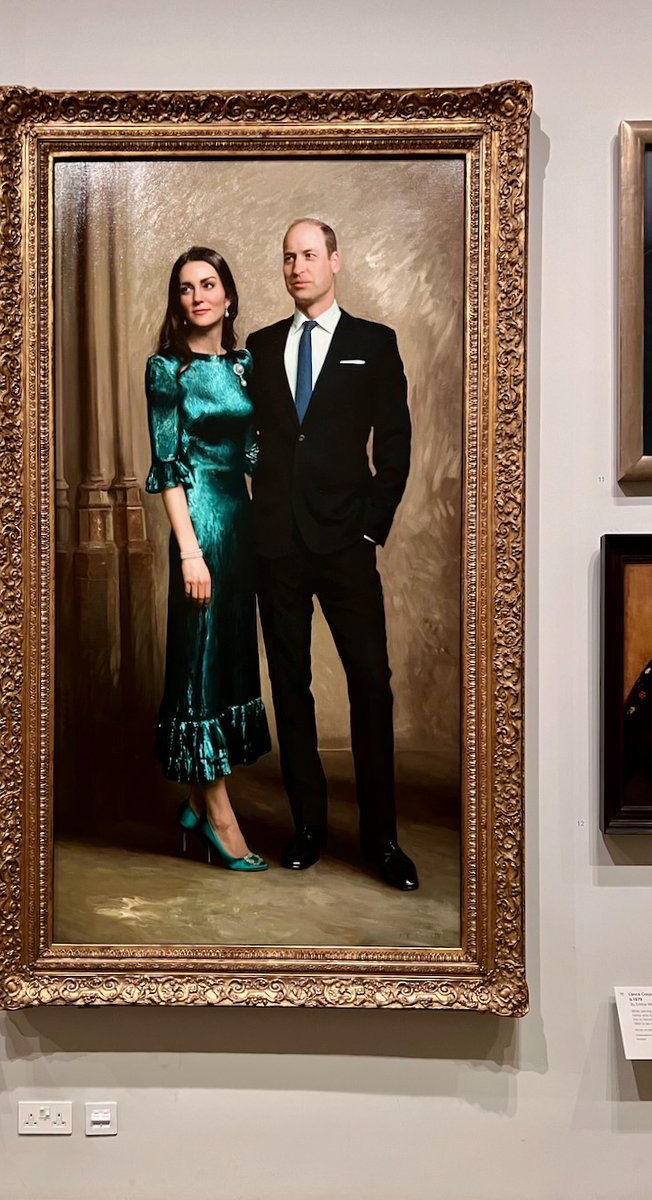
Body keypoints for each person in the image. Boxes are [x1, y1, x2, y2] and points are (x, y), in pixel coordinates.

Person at [247, 218, 418, 890]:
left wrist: (372, 526)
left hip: (347, 544)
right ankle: (308, 826)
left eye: (309, 255)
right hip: (278, 548)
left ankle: (382, 841)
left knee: (371, 687)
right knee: (290, 688)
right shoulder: (260, 348)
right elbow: (246, 435)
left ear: (335, 262)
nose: (297, 267)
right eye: (288, 257)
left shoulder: (373, 343)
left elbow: (396, 442)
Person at [145, 246, 270, 871]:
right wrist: (190, 551)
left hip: (240, 523)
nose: (197, 296)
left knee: (224, 661)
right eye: (186, 288)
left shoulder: (246, 366)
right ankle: (221, 818)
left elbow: (254, 452)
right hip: (199, 524)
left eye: (209, 284)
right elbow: (166, 468)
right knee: (197, 664)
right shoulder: (166, 369)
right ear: (179, 302)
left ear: (227, 296)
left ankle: (197, 801)